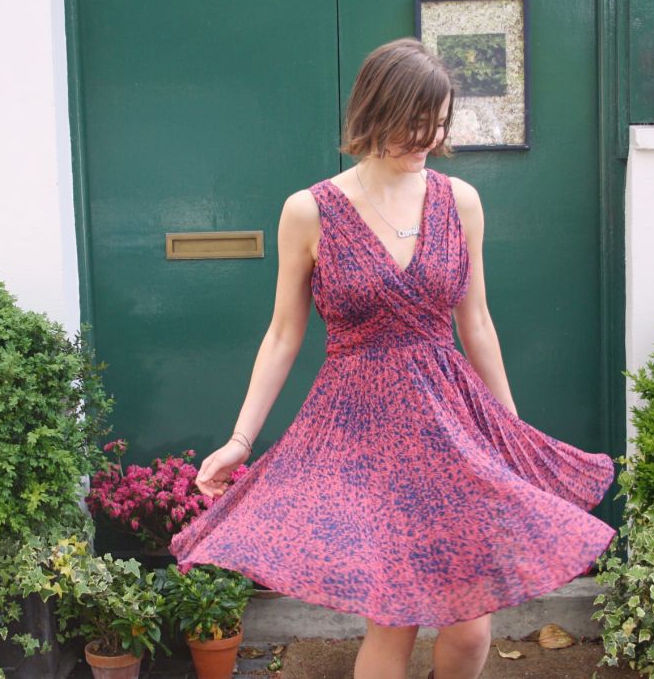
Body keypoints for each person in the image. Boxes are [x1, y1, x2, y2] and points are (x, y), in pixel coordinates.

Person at [169, 37, 616, 679]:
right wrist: (241, 439)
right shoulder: (309, 211)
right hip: (362, 431)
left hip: (450, 424)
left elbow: (477, 321)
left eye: (439, 125)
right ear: (374, 112)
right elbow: (283, 334)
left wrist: (511, 433)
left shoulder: (461, 201)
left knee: (471, 628)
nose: (427, 139)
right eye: (414, 123)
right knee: (392, 621)